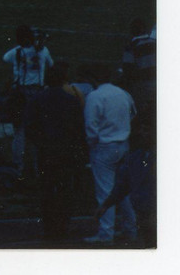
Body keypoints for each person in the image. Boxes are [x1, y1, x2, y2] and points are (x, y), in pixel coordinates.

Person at [24, 62, 88, 241]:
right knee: (64, 188)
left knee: (46, 189)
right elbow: (79, 127)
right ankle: (63, 226)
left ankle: (49, 227)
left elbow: (30, 126)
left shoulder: (37, 99)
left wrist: (40, 143)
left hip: (46, 151)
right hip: (66, 151)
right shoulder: (71, 100)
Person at [83, 64, 138, 244]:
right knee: (123, 190)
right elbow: (133, 113)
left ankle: (106, 233)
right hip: (123, 143)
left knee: (105, 190)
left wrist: (93, 143)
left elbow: (91, 125)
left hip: (104, 145)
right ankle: (131, 228)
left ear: (92, 78)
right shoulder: (123, 93)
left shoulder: (94, 96)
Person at [95, 116, 155, 248]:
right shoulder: (135, 157)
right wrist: (106, 204)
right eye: (142, 130)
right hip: (144, 209)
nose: (143, 134)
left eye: (147, 130)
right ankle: (131, 229)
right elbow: (123, 185)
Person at [3, 25, 54, 178]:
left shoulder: (17, 51)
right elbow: (51, 64)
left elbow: (5, 58)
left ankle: (18, 166)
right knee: (38, 131)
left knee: (19, 131)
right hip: (38, 91)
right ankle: (39, 168)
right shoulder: (43, 51)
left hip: (21, 92)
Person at [121, 18, 155, 116]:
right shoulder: (155, 43)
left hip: (141, 87)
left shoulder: (131, 46)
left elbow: (128, 69)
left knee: (141, 114)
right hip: (157, 85)